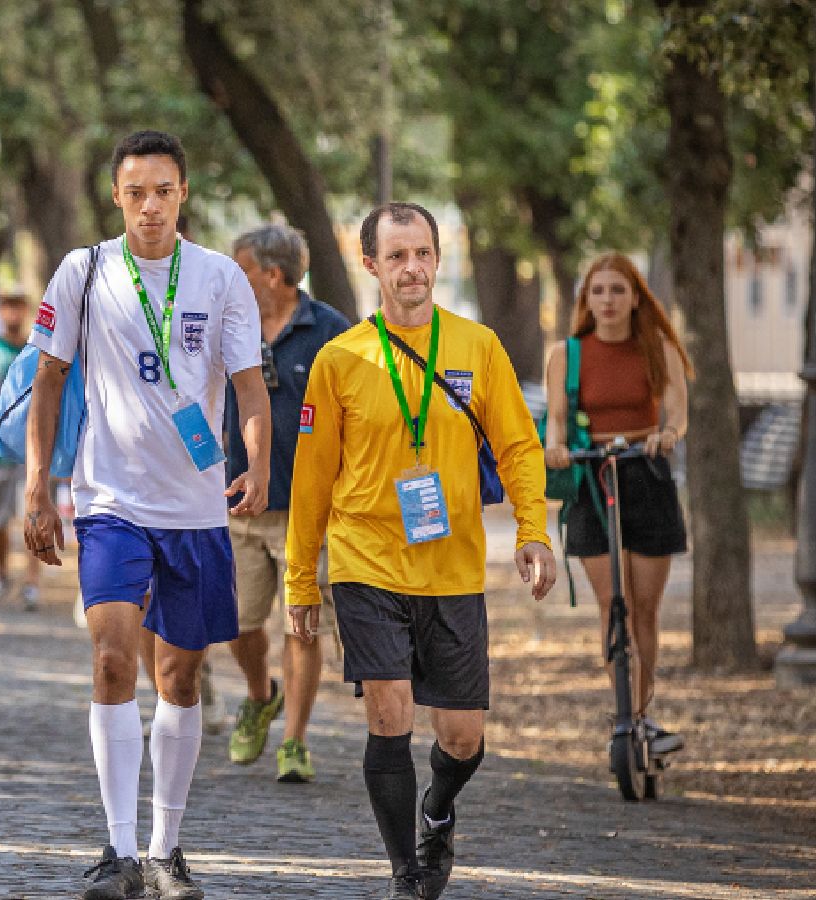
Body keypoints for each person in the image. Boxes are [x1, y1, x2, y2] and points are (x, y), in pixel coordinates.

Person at [23, 130, 271, 900]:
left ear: (183, 193)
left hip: (195, 511)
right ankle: (119, 851)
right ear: (117, 197)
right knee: (110, 660)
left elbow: (250, 388)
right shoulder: (83, 271)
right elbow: (50, 380)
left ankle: (166, 850)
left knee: (180, 680)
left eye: (164, 190)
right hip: (109, 503)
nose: (151, 205)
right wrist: (39, 485)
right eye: (136, 192)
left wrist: (258, 461)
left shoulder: (222, 277)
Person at [285, 201, 556, 900]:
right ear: (371, 265)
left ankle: (438, 811)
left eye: (423, 254)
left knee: (462, 736)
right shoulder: (339, 359)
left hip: (452, 566)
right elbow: (311, 480)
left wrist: (532, 531)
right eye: (397, 256)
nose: (413, 268)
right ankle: (405, 872)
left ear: (439, 260)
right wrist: (300, 582)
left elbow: (519, 447)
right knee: (389, 714)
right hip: (364, 561)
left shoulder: (478, 347)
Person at [219, 224, 351, 782]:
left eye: (241, 268)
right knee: (237, 627)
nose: (232, 278)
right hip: (237, 507)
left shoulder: (330, 332)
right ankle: (260, 693)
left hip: (306, 514)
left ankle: (295, 740)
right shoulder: (226, 324)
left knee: (303, 627)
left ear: (272, 274)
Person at [543, 253, 689, 755]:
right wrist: (557, 446)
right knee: (613, 606)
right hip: (592, 476)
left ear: (635, 297)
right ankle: (624, 714)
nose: (607, 300)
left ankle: (645, 715)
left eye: (617, 290)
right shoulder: (567, 353)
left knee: (645, 609)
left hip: (645, 474)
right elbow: (558, 419)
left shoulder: (659, 348)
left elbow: (679, 413)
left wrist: (667, 434)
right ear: (586, 299)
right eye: (598, 291)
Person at [0, 291, 42, 610]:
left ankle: (31, 583)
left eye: (19, 305)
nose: (13, 312)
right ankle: (1, 574)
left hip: (34, 450)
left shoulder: (38, 349)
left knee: (33, 515)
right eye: (7, 306)